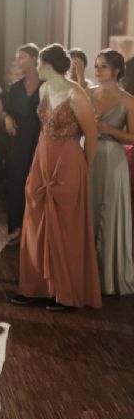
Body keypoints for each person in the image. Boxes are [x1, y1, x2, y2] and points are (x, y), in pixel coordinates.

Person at [11, 43, 101, 311]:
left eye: (38, 63)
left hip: (68, 161)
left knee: (65, 225)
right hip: (43, 158)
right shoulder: (44, 89)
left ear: (47, 65)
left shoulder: (76, 94)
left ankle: (66, 293)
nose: (36, 67)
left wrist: (85, 167)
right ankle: (37, 288)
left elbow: (91, 135)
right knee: (36, 218)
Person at [87, 49, 134, 294]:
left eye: (103, 66)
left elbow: (133, 137)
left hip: (114, 160)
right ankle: (86, 277)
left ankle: (109, 278)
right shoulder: (87, 94)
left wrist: (110, 130)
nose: (97, 70)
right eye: (96, 65)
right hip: (89, 157)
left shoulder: (128, 101)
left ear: (116, 70)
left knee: (111, 213)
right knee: (88, 211)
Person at [3, 43, 41, 242]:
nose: (18, 61)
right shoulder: (15, 88)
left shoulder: (46, 85)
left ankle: (36, 231)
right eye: (17, 58)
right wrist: (7, 118)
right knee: (17, 181)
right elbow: (7, 110)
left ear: (34, 58)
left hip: (40, 138)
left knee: (37, 183)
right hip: (19, 139)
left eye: (22, 57)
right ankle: (16, 227)